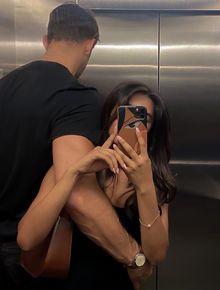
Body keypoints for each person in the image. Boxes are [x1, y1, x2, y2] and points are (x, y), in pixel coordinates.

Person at [0, 3, 143, 290]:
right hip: (32, 261)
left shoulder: (4, 87)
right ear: (90, 45)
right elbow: (78, 194)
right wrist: (133, 256)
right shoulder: (74, 97)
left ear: (46, 40)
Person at [17, 81, 177, 290]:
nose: (131, 125)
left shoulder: (156, 181)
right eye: (123, 114)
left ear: (151, 129)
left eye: (142, 119)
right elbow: (26, 240)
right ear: (109, 117)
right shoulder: (75, 165)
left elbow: (156, 254)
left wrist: (144, 183)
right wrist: (75, 172)